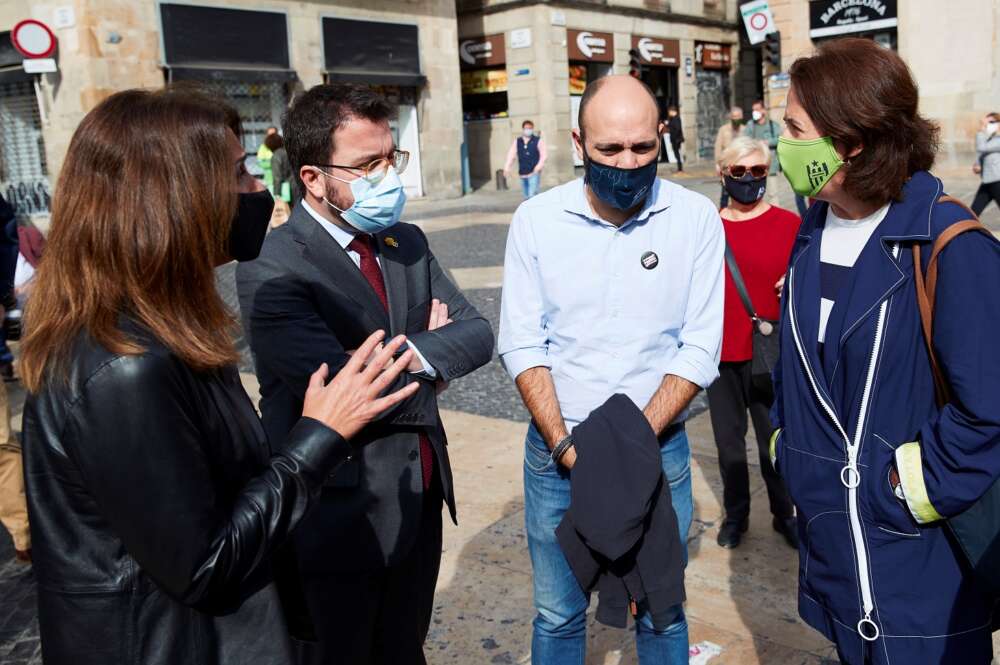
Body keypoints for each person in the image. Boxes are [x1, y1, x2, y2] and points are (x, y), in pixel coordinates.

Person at [19, 87, 422, 665]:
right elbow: (205, 565)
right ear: (173, 197)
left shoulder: (165, 331)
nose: (259, 191)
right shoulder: (126, 365)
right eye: (240, 175)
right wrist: (320, 434)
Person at [237, 83, 494, 665]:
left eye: (390, 159)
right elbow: (343, 389)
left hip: (420, 493)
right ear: (311, 178)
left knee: (405, 649)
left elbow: (478, 333)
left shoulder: (405, 241)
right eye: (366, 165)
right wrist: (430, 356)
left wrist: (402, 361)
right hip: (337, 513)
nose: (386, 177)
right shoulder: (272, 267)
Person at [770, 38, 1000, 664]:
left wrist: (893, 490)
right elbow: (801, 373)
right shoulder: (812, 229)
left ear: (852, 141)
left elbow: (988, 410)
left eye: (793, 127)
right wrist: (789, 452)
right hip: (837, 561)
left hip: (923, 572)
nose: (779, 143)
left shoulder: (950, 245)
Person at [499, 74, 724, 664]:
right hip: (556, 453)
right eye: (609, 149)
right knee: (556, 614)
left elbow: (700, 345)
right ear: (578, 143)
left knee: (662, 610)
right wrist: (571, 449)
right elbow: (523, 343)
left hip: (660, 450)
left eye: (642, 148)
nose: (627, 162)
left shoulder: (695, 218)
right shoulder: (537, 221)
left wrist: (629, 446)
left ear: (661, 138)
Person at [708, 137, 798, 550]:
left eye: (758, 171)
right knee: (728, 444)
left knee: (773, 443)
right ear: (723, 173)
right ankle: (737, 516)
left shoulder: (790, 225)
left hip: (769, 351)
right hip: (720, 352)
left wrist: (796, 282)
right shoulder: (707, 227)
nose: (749, 179)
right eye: (739, 171)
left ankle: (784, 513)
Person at [504, 119, 548, 199]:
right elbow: (511, 155)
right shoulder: (518, 141)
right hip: (522, 173)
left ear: (532, 129)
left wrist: (538, 167)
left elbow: (544, 155)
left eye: (530, 128)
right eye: (526, 128)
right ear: (523, 129)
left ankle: (534, 211)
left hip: (534, 172)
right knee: (526, 197)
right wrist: (507, 168)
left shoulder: (537, 140)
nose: (528, 130)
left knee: (533, 196)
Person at [714, 106, 745, 208]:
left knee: (740, 191)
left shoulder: (745, 130)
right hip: (727, 166)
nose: (736, 119)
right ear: (730, 117)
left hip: (741, 166)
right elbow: (718, 147)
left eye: (738, 117)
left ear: (742, 117)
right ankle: (722, 214)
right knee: (725, 193)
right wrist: (717, 164)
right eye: (734, 117)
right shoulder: (723, 130)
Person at [971, 112, 1000, 216]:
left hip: (997, 182)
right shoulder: (989, 140)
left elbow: (982, 148)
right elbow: (983, 154)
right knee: (973, 213)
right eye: (987, 122)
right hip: (987, 182)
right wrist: (978, 165)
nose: (988, 125)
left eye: (991, 122)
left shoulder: (998, 140)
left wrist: (982, 129)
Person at [257, 125, 279, 192]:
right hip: (270, 179)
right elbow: (260, 163)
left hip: (284, 179)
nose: (272, 137)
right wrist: (273, 163)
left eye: (274, 134)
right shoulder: (263, 147)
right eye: (270, 135)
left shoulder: (282, 145)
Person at [666, 105, 684, 173]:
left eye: (669, 112)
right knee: (676, 153)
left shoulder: (676, 118)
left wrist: (675, 137)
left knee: (677, 154)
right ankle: (679, 168)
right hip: (675, 139)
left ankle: (680, 168)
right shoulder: (673, 119)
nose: (669, 113)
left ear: (672, 111)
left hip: (676, 139)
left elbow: (677, 128)